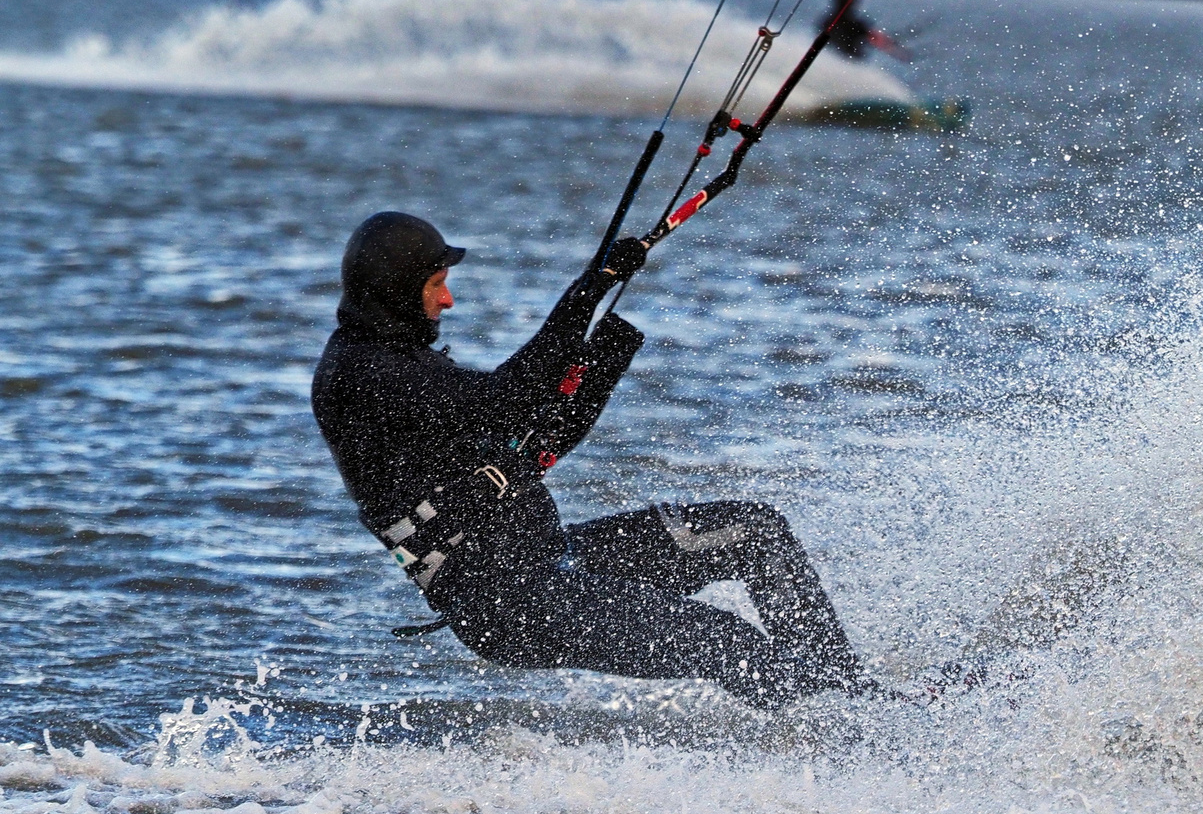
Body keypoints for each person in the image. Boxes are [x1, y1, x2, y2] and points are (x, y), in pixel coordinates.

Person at [311, 211, 869, 710]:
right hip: (513, 604)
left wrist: (603, 361)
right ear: (396, 290)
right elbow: (504, 405)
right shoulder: (362, 376)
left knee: (755, 531)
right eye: (437, 284)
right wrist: (589, 288)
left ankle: (848, 689)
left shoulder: (403, 366)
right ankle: (836, 721)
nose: (448, 300)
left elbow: (541, 445)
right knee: (723, 640)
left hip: (557, 560)